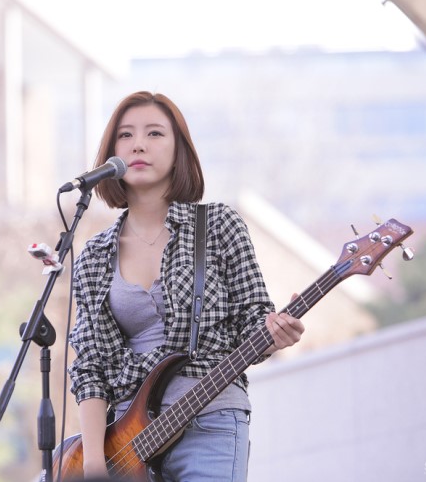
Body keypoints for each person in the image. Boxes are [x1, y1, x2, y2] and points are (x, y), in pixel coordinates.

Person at [67, 91, 305, 481]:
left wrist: (276, 334)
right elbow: (91, 366)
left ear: (179, 152)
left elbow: (253, 323)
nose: (138, 144)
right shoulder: (94, 254)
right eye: (125, 135)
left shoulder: (218, 225)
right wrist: (94, 462)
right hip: (127, 444)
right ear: (111, 153)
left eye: (155, 133)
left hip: (211, 421)